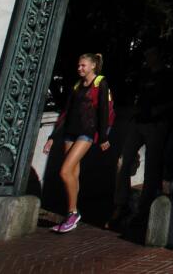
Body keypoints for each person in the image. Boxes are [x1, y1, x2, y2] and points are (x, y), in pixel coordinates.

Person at [44, 53, 114, 234]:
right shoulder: (76, 85)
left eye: (83, 65)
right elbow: (66, 112)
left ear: (92, 66)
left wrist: (104, 137)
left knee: (64, 171)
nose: (79, 68)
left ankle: (73, 213)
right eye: (78, 65)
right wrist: (53, 136)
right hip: (70, 132)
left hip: (87, 133)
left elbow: (104, 111)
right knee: (73, 173)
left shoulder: (100, 82)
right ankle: (71, 213)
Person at [111, 47, 173, 227]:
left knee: (152, 166)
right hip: (139, 121)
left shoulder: (168, 76)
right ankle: (121, 204)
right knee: (123, 161)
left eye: (151, 54)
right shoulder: (143, 75)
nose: (148, 57)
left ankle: (146, 208)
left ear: (158, 56)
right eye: (146, 54)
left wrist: (161, 110)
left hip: (157, 123)